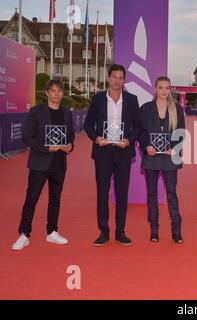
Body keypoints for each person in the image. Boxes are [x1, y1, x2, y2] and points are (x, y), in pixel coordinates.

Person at [12, 79, 75, 251]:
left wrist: (70, 146)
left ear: (63, 93)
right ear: (47, 93)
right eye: (53, 91)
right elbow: (27, 137)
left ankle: (52, 231)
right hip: (39, 162)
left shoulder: (67, 113)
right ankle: (24, 234)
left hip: (59, 163)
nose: (56, 94)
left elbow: (70, 135)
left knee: (55, 199)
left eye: (59, 91)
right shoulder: (36, 112)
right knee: (31, 199)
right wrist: (46, 148)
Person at [84, 64, 141, 247]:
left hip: (123, 152)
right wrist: (96, 138)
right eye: (114, 77)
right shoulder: (98, 99)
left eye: (121, 77)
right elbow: (87, 125)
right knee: (102, 193)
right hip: (103, 152)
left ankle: (120, 231)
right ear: (108, 78)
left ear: (124, 81)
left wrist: (129, 140)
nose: (117, 80)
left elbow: (138, 127)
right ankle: (103, 231)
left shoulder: (132, 100)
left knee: (122, 194)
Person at [138, 76, 185, 244]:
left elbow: (181, 132)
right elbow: (140, 132)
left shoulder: (177, 109)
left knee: (171, 193)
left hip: (170, 158)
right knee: (152, 194)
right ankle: (154, 230)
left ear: (170, 90)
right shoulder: (145, 109)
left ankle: (176, 231)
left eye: (167, 88)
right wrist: (146, 146)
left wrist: (175, 147)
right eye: (161, 87)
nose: (164, 91)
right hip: (151, 157)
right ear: (155, 89)